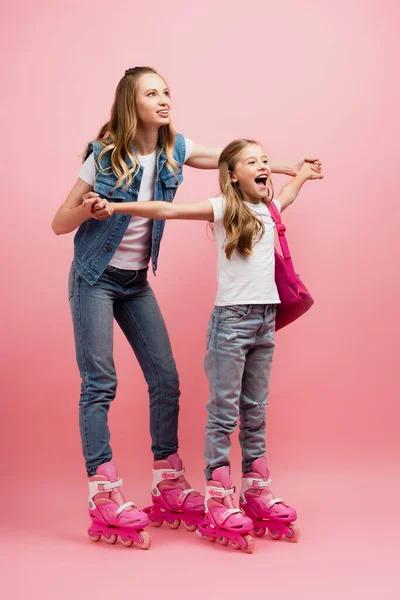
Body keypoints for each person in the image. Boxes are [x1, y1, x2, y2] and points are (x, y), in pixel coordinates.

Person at [52, 65, 322, 548]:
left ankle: (167, 481)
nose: (163, 99)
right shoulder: (104, 156)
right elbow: (59, 222)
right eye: (151, 93)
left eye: (166, 91)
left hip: (135, 283)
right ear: (130, 103)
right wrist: (91, 208)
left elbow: (228, 157)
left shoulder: (175, 150)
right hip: (93, 278)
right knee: (100, 382)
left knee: (166, 379)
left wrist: (279, 167)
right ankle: (103, 490)